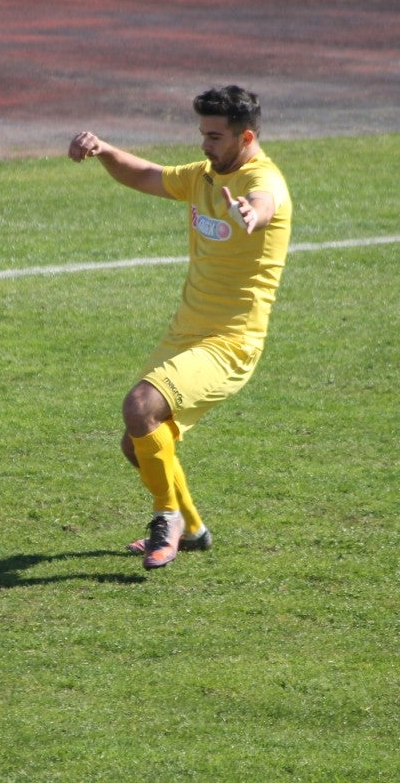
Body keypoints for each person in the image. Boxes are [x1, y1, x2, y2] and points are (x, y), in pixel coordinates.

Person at [68, 85, 292, 570]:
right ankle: (192, 528)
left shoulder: (263, 179)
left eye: (214, 136)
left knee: (139, 407)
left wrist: (251, 213)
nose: (204, 144)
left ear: (246, 137)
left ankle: (166, 517)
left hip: (231, 342)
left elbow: (266, 200)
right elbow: (146, 174)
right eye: (202, 133)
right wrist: (104, 150)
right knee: (138, 444)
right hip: (186, 331)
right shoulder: (203, 176)